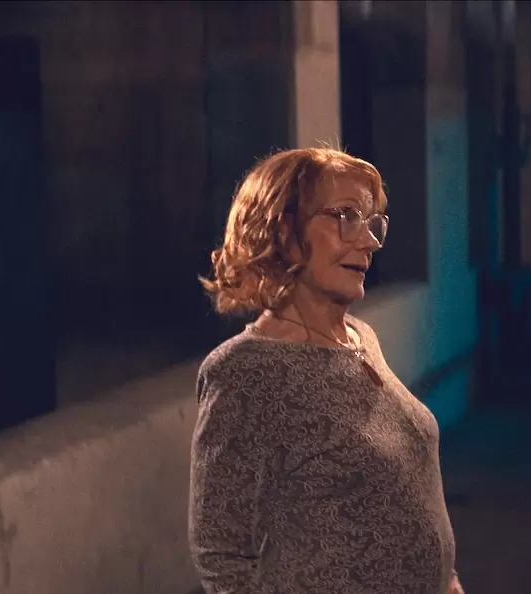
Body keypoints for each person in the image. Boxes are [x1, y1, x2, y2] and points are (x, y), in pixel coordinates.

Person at [189, 147, 463, 594]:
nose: (369, 241)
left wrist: (444, 577)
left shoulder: (359, 337)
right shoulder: (244, 373)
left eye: (373, 223)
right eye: (346, 217)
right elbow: (221, 556)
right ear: (285, 233)